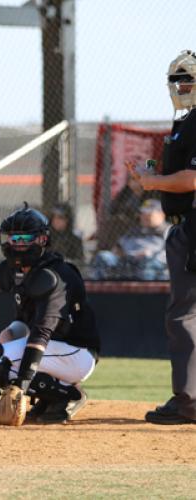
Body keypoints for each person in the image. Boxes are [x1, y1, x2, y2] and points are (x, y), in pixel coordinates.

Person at [0, 204, 100, 424]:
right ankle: (47, 399)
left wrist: (20, 385)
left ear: (41, 240)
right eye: (14, 239)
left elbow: (41, 333)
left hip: (76, 352)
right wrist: (10, 332)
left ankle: (68, 396)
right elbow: (25, 322)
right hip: (50, 348)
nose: (18, 244)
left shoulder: (55, 275)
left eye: (24, 239)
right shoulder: (19, 271)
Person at [127, 50, 196, 425]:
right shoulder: (186, 122)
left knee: (184, 313)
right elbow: (181, 171)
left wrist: (153, 181)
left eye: (188, 79)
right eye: (177, 79)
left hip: (193, 225)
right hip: (186, 221)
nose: (181, 86)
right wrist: (152, 171)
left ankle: (188, 402)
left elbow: (194, 178)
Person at [91, 199, 169, 281]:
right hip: (127, 261)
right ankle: (100, 291)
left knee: (147, 263)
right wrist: (119, 253)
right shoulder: (134, 230)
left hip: (152, 263)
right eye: (143, 213)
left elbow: (174, 253)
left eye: (149, 213)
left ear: (161, 214)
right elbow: (118, 247)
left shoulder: (168, 230)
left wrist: (150, 254)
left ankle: (143, 292)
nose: (144, 216)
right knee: (103, 256)